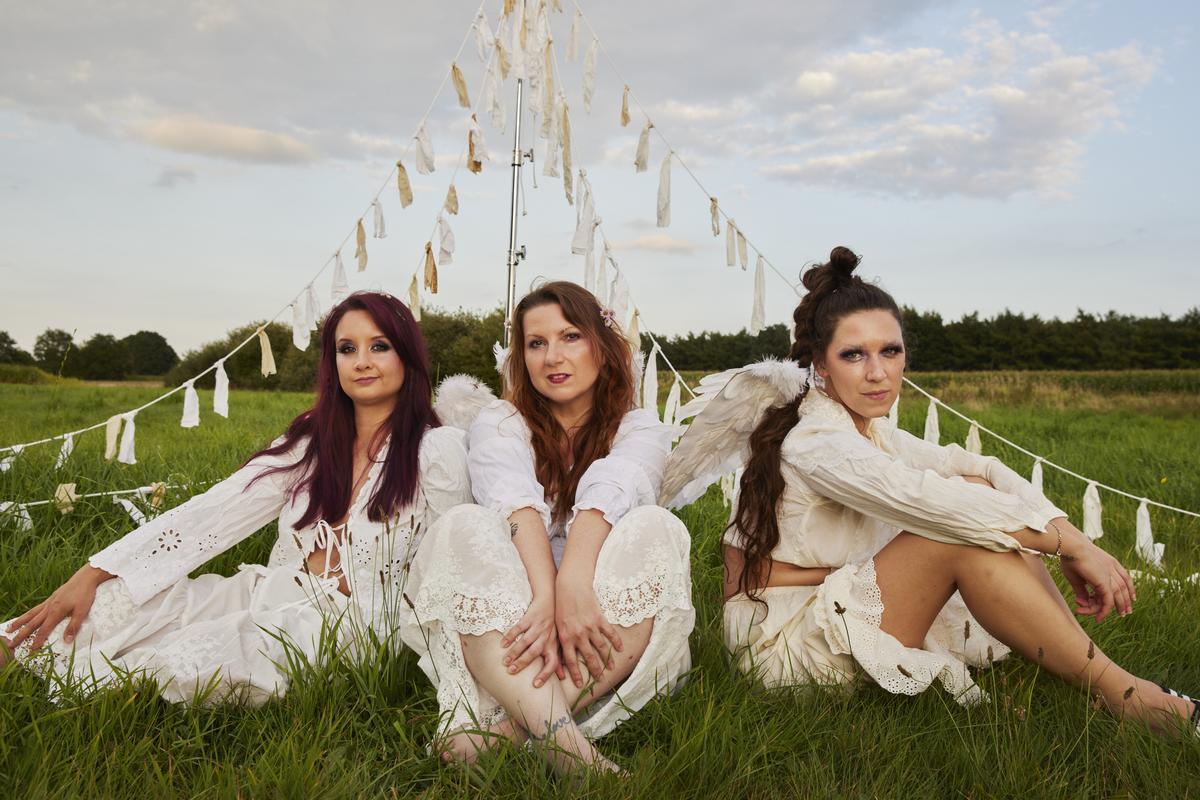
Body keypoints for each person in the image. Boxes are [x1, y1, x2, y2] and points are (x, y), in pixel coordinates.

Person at [669, 246, 1198, 735]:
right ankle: (1135, 701)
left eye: (890, 351)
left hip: (830, 602)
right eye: (854, 355)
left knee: (972, 490)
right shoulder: (816, 440)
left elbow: (979, 468)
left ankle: (1102, 680)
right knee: (958, 530)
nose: (877, 373)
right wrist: (1072, 549)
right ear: (821, 364)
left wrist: (1068, 535)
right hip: (785, 645)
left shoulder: (868, 431)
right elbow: (934, 503)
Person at [1, 292, 470, 704]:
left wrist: (460, 688)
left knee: (202, 654)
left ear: (407, 357)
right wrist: (96, 570)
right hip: (273, 592)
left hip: (355, 628)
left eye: (379, 346)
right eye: (347, 349)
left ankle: (107, 680)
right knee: (121, 603)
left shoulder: (437, 449)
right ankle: (16, 649)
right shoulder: (313, 442)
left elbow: (453, 566)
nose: (362, 361)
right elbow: (219, 509)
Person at [400, 281, 694, 775]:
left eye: (570, 336)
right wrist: (546, 595)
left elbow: (607, 494)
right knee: (462, 524)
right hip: (517, 616)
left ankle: (512, 730)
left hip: (600, 617)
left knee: (656, 527)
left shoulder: (639, 427)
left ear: (602, 345)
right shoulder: (501, 420)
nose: (553, 357)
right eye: (536, 343)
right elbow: (515, 503)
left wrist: (572, 585)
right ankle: (573, 754)